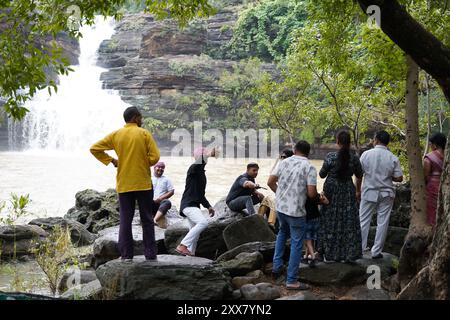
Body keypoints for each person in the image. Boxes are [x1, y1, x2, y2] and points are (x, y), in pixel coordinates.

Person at [90, 106, 160, 261]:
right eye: (140, 117)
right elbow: (155, 158)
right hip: (143, 184)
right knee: (147, 219)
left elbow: (94, 148)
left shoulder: (116, 134)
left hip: (124, 184)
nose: (141, 120)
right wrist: (142, 161)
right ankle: (150, 254)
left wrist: (112, 161)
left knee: (125, 220)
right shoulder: (144, 133)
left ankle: (126, 255)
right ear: (135, 118)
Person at [268, 141, 327, 290]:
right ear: (309, 152)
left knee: (282, 233)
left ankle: (276, 268)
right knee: (296, 243)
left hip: (281, 208)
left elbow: (270, 182)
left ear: (295, 150)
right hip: (296, 211)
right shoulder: (309, 167)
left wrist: (281, 195)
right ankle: (292, 280)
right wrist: (321, 199)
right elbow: (312, 193)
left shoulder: (284, 162)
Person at [317, 130, 364, 263]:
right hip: (348, 191)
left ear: (337, 141)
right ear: (349, 143)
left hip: (331, 192)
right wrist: (358, 191)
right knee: (347, 222)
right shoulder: (354, 158)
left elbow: (321, 174)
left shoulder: (330, 157)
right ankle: (348, 254)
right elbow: (360, 175)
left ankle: (322, 251)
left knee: (328, 221)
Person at [359, 130, 403, 259]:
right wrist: (389, 177)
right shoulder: (392, 157)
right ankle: (376, 251)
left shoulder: (366, 155)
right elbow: (399, 177)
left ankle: (361, 248)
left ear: (376, 140)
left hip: (369, 191)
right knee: (382, 222)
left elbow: (359, 174)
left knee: (363, 220)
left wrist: (357, 190)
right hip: (386, 192)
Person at [176, 147, 216, 256]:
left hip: (194, 205)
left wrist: (208, 206)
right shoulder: (193, 168)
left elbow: (201, 195)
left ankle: (190, 254)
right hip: (188, 205)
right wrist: (208, 154)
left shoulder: (202, 174)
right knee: (203, 223)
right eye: (203, 156)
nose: (206, 159)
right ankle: (182, 245)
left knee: (195, 231)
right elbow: (199, 163)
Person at [423, 132, 447, 226]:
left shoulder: (429, 158)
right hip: (446, 187)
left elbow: (425, 176)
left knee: (433, 213)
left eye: (430, 144)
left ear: (435, 145)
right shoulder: (447, 156)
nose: (430, 146)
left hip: (432, 188)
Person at [152, 161, 175, 229]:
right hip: (150, 202)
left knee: (167, 202)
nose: (160, 169)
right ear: (154, 168)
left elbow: (171, 191)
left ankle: (154, 220)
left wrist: (160, 198)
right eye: (158, 167)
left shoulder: (166, 179)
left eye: (162, 168)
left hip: (161, 204)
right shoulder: (149, 178)